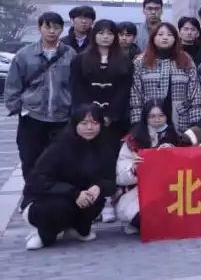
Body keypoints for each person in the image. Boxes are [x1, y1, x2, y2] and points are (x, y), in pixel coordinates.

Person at [6, 12, 76, 207]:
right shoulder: (25, 54)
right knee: (30, 159)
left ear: (62, 29)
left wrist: (73, 109)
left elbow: (76, 84)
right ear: (40, 28)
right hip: (32, 116)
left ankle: (55, 198)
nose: (52, 31)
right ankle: (31, 197)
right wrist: (19, 109)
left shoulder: (70, 54)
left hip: (61, 117)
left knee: (59, 160)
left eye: (56, 27)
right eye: (47, 26)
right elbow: (13, 85)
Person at [22, 104, 116, 250]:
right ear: (75, 124)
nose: (90, 128)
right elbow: (37, 180)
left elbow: (111, 181)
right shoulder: (60, 147)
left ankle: (77, 229)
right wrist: (73, 193)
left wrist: (99, 187)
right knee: (60, 207)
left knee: (95, 201)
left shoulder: (105, 147)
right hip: (49, 199)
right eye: (84, 123)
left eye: (94, 123)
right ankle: (43, 234)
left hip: (83, 197)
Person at [70, 19, 132, 216]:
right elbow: (77, 89)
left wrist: (111, 115)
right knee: (88, 159)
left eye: (110, 33)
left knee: (110, 158)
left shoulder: (124, 59)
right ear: (94, 35)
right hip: (87, 120)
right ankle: (91, 200)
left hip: (114, 121)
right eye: (101, 33)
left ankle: (109, 199)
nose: (105, 37)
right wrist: (89, 116)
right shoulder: (80, 60)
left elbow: (124, 91)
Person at [115, 100, 186, 234]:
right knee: (144, 218)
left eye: (161, 116)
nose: (157, 120)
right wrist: (134, 169)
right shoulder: (132, 141)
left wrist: (174, 154)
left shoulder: (176, 137)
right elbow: (120, 176)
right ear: (145, 118)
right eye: (152, 116)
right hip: (139, 190)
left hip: (169, 188)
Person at [129, 22, 201, 131]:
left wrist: (196, 123)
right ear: (153, 38)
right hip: (150, 118)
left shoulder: (186, 59)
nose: (165, 38)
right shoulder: (141, 61)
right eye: (160, 34)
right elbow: (135, 94)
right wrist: (137, 123)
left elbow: (194, 92)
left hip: (181, 117)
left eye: (169, 35)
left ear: (175, 39)